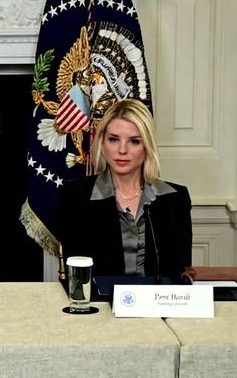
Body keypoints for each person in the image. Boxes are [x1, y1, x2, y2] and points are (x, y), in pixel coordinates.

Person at [57, 99, 192, 281]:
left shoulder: (175, 199)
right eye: (113, 139)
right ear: (102, 144)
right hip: (99, 304)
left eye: (134, 141)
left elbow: (180, 273)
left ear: (147, 146)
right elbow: (78, 273)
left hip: (159, 306)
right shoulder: (75, 196)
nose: (122, 150)